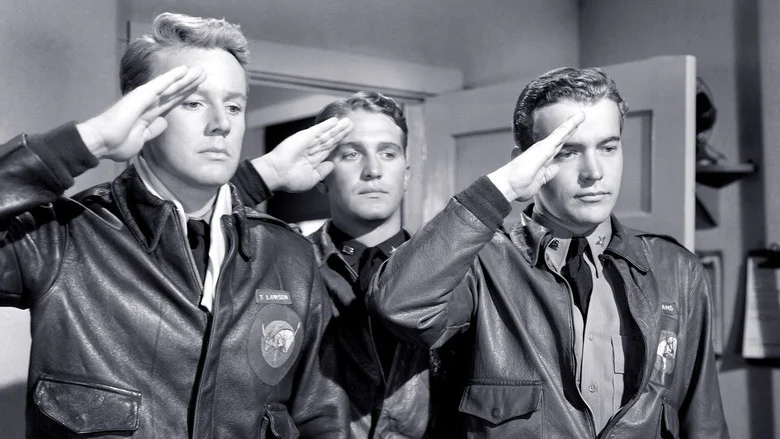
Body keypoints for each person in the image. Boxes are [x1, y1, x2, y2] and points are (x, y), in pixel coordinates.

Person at [0, 12, 353, 438]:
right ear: (139, 111)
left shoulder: (288, 255)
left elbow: (322, 418)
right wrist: (90, 139)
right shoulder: (64, 238)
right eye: (193, 103)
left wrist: (257, 179)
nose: (222, 123)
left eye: (234, 106)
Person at [367, 67, 729, 438]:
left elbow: (704, 422)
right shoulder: (480, 264)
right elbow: (400, 304)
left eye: (608, 148)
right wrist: (501, 188)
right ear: (526, 160)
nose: (594, 172)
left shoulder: (675, 269)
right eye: (568, 152)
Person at [236, 92, 440, 438]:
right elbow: (190, 225)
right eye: (351, 154)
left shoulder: (448, 269)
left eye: (388, 153)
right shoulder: (282, 264)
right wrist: (263, 176)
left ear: (406, 175)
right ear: (321, 175)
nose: (373, 171)